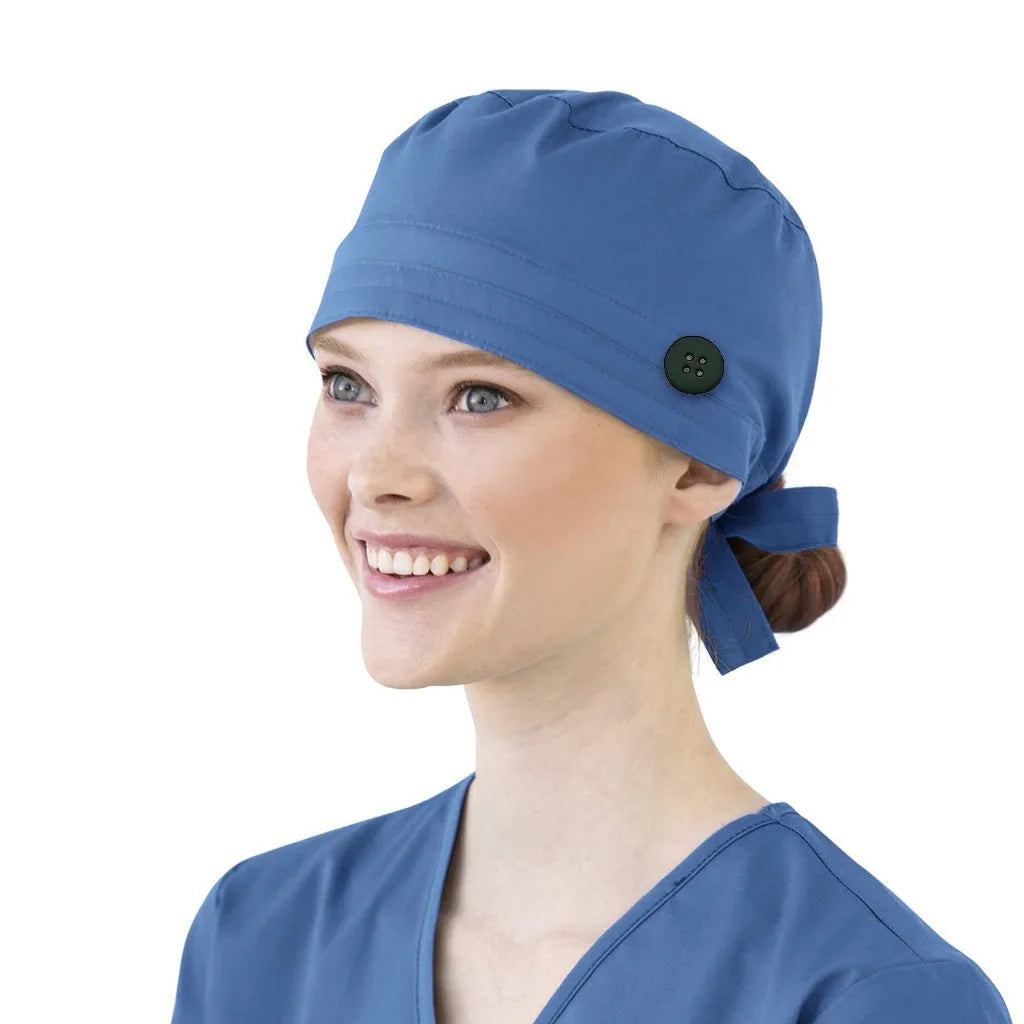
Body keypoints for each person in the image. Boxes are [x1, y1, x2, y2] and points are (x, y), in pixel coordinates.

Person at [170, 89, 1013, 1023]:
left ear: (697, 465)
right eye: (346, 384)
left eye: (480, 397)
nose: (375, 475)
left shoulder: (870, 998)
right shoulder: (262, 938)